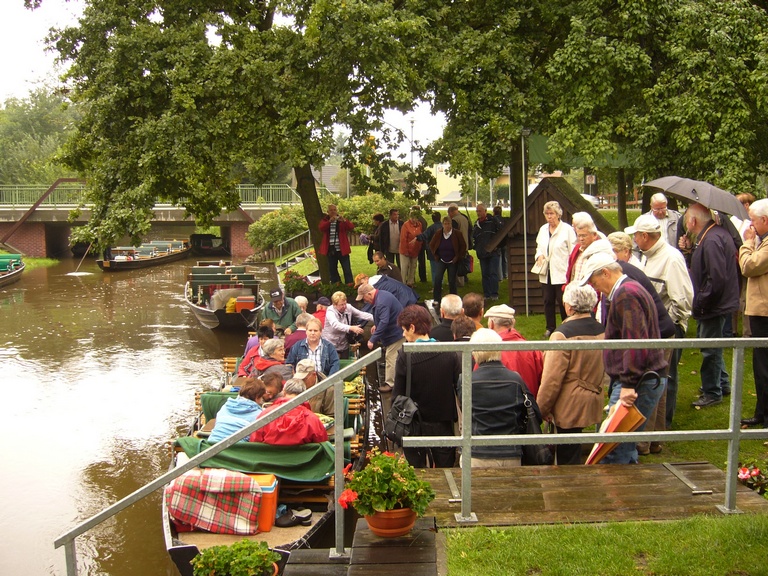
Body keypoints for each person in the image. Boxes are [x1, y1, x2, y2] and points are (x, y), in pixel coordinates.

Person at [579, 252, 667, 464]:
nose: (594, 286)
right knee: (621, 447)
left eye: (593, 280)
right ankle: (626, 494)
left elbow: (634, 341)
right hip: (642, 379)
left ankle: (618, 496)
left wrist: (628, 384)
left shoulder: (626, 295)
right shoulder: (629, 289)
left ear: (606, 273)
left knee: (613, 450)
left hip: (638, 382)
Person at [628, 213, 693, 433]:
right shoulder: (647, 255)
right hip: (654, 330)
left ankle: (663, 425)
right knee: (657, 378)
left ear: (645, 236)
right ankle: (653, 430)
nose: (634, 240)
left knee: (667, 378)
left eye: (636, 236)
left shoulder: (671, 258)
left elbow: (683, 298)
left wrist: (670, 324)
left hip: (668, 330)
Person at [537, 283, 605, 464]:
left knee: (566, 459)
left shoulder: (562, 335)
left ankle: (570, 490)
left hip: (569, 405)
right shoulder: (602, 329)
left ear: (568, 306)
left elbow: (551, 379)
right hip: (594, 397)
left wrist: (540, 409)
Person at [683, 203, 740, 407]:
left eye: (687, 219)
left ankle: (712, 391)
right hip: (717, 302)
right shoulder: (711, 235)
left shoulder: (712, 239)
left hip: (714, 304)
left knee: (710, 349)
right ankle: (721, 383)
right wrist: (690, 250)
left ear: (693, 221)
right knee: (712, 346)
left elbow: (715, 279)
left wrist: (700, 303)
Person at [393, 305, 460, 467]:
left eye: (404, 330)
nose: (403, 334)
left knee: (416, 472)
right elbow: (458, 387)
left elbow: (397, 396)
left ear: (412, 327)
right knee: (446, 470)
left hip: (414, 422)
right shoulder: (449, 352)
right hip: (443, 422)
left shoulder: (405, 355)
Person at [462, 329, 532, 467]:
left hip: (477, 453)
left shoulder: (465, 380)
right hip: (510, 453)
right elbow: (533, 411)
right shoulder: (516, 379)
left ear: (474, 352)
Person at [738, 198, 768, 429]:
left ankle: (764, 413)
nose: (751, 227)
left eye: (754, 221)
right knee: (760, 364)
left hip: (764, 312)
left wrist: (747, 243)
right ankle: (762, 410)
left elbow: (748, 266)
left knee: (764, 364)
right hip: (760, 310)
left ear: (764, 220)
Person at [534, 201, 577, 337]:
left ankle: (566, 326)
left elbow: (573, 251)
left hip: (562, 272)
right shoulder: (543, 229)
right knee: (548, 300)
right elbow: (539, 247)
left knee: (563, 300)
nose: (549, 217)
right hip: (547, 272)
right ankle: (550, 327)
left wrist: (572, 272)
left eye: (551, 213)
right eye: (547, 214)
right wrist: (539, 255)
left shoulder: (567, 230)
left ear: (558, 214)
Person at [484, 304, 543, 397]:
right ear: (513, 322)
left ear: (491, 324)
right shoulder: (534, 350)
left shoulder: (488, 352)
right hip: (530, 407)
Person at [249, 379, 328, 445]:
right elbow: (323, 446)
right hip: (302, 463)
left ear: (284, 392)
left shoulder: (265, 415)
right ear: (304, 393)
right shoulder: (312, 419)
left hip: (268, 462)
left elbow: (254, 443)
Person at [360, 282, 405, 392]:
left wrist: (372, 339)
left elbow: (384, 321)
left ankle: (391, 384)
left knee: (391, 356)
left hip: (396, 333)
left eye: (364, 298)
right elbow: (386, 316)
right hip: (397, 330)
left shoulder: (381, 302)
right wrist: (376, 324)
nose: (364, 301)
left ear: (370, 294)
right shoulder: (382, 295)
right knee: (394, 356)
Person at [208, 378, 267, 443]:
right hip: (236, 450)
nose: (262, 400)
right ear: (257, 397)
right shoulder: (260, 415)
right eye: (261, 397)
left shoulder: (225, 406)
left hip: (211, 444)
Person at [322, 291, 374, 359]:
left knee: (345, 364)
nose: (344, 306)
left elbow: (361, 314)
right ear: (334, 305)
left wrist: (377, 319)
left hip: (344, 343)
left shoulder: (348, 307)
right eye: (341, 305)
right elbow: (335, 324)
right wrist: (351, 328)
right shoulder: (330, 311)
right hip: (331, 343)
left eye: (345, 304)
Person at [429, 216, 467, 301]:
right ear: (442, 225)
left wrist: (457, 257)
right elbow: (431, 244)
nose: (447, 226)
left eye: (448, 224)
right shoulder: (439, 233)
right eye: (445, 224)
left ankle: (453, 299)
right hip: (441, 260)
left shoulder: (457, 233)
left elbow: (463, 246)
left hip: (452, 261)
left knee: (452, 280)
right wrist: (436, 255)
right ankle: (436, 299)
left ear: (451, 224)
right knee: (438, 278)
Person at [318, 203, 355, 284]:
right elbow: (321, 228)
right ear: (328, 211)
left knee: (347, 269)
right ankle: (337, 285)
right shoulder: (325, 220)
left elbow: (351, 227)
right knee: (332, 269)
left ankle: (350, 286)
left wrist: (344, 221)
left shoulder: (341, 220)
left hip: (342, 250)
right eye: (331, 210)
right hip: (331, 250)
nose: (333, 212)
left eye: (334, 210)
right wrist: (329, 222)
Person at [565, 212, 604, 286]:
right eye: (579, 236)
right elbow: (569, 273)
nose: (581, 239)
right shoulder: (577, 249)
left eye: (584, 236)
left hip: (590, 295)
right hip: (573, 293)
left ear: (594, 235)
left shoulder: (600, 251)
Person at [473, 203, 501, 300]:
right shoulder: (476, 225)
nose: (478, 213)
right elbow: (474, 238)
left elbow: (501, 234)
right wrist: (476, 247)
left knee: (493, 273)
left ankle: (494, 294)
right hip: (482, 253)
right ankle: (487, 294)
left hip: (493, 252)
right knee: (485, 274)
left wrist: (497, 246)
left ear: (485, 211)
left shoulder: (493, 221)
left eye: (480, 211)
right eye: (477, 211)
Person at [354, 272, 418, 308]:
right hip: (408, 294)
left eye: (361, 284)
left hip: (405, 299)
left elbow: (369, 308)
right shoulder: (378, 278)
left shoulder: (373, 286)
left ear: (366, 278)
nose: (361, 286)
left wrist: (358, 325)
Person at [448, 203, 472, 286]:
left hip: (457, 245)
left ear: (451, 212)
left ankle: (459, 282)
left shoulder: (455, 220)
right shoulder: (464, 218)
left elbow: (452, 233)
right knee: (462, 262)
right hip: (465, 243)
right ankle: (464, 279)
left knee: (457, 264)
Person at [399, 210, 423, 287]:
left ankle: (410, 282)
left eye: (415, 218)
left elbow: (420, 235)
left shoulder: (419, 225)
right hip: (405, 250)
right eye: (412, 218)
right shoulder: (406, 225)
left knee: (413, 266)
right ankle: (403, 283)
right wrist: (405, 250)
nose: (413, 220)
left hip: (415, 250)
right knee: (405, 267)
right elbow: (403, 239)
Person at [418, 211, 443, 287]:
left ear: (432, 219)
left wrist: (416, 237)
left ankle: (436, 286)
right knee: (441, 269)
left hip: (433, 251)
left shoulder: (431, 228)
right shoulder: (443, 226)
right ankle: (440, 284)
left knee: (434, 270)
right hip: (443, 251)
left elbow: (424, 236)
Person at [411, 206, 429, 283]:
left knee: (413, 261)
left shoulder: (417, 221)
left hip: (417, 243)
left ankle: (412, 278)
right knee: (421, 261)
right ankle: (423, 277)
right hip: (423, 243)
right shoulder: (423, 220)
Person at [493, 205, 509, 280]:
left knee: (499, 259)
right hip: (505, 242)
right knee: (505, 259)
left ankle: (500, 277)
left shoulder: (493, 220)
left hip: (498, 242)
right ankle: (506, 274)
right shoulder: (504, 220)